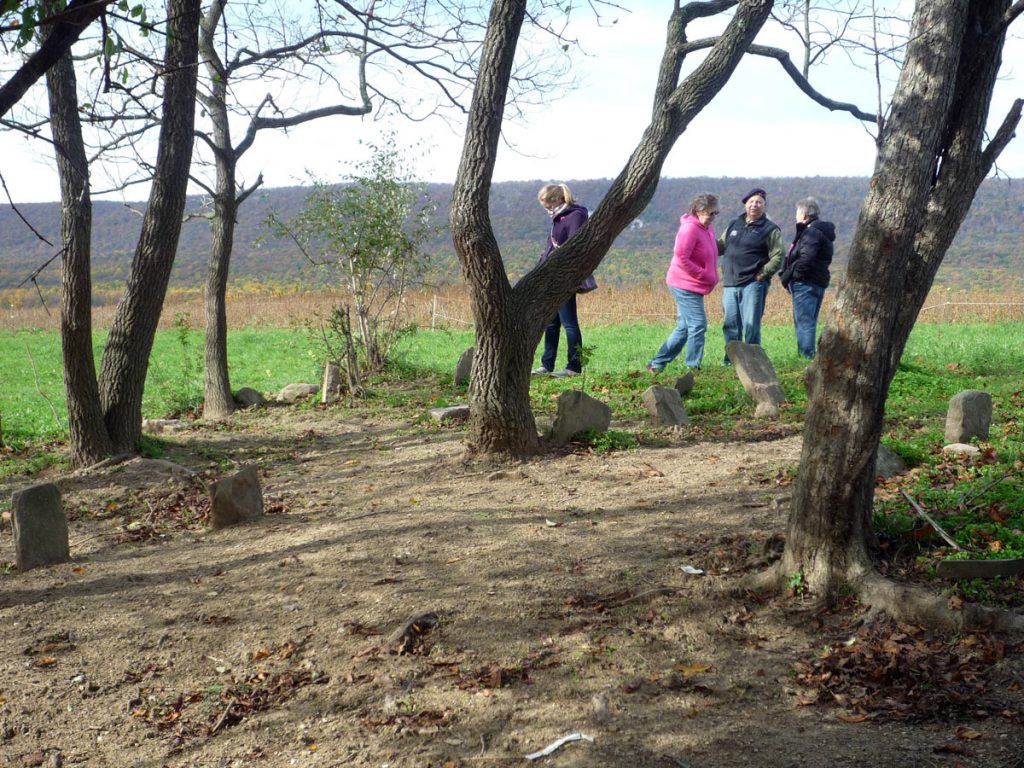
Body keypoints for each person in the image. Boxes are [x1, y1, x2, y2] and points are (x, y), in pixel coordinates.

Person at [647, 193, 720, 373]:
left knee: (684, 327)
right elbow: (681, 258)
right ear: (698, 211)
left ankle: (657, 363)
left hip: (694, 284)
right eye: (710, 213)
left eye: (715, 213)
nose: (712, 217)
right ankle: (693, 366)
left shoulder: (707, 228)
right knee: (698, 324)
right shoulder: (689, 229)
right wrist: (703, 274)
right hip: (684, 284)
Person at [718, 187, 784, 363]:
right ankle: (732, 360)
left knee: (751, 325)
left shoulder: (770, 229)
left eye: (759, 202)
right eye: (751, 202)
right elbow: (719, 246)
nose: (755, 205)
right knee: (730, 325)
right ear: (745, 204)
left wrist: (763, 273)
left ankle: (754, 361)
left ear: (764, 206)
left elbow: (778, 256)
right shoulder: (734, 224)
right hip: (730, 283)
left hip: (753, 284)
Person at [532, 183, 590, 378]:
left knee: (569, 323)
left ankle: (574, 367)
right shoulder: (558, 217)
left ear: (557, 200)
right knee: (551, 323)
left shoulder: (576, 216)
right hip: (551, 276)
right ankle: (546, 364)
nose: (547, 210)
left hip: (565, 276)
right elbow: (549, 248)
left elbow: (575, 245)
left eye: (548, 206)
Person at [779, 197, 835, 359]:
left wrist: (795, 276)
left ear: (804, 214)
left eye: (797, 212)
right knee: (809, 320)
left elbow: (806, 258)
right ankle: (807, 355)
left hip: (805, 282)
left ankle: (806, 356)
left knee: (804, 322)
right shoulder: (822, 232)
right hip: (817, 281)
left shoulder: (811, 232)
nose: (796, 216)